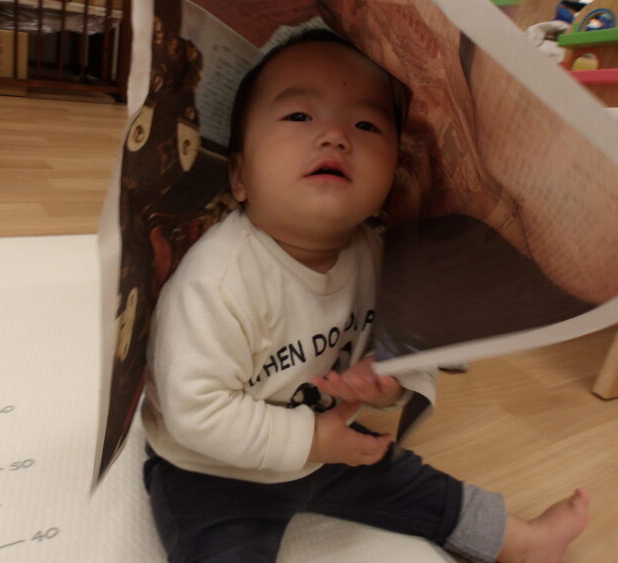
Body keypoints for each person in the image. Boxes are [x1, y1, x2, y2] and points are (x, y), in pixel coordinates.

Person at [140, 29, 589, 563]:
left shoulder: (381, 256)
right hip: (215, 469)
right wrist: (311, 441)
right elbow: (195, 412)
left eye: (367, 125)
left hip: (331, 445)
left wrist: (391, 381)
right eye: (300, 115)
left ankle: (524, 542)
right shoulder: (216, 280)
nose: (335, 136)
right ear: (239, 175)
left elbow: (416, 342)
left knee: (419, 484)